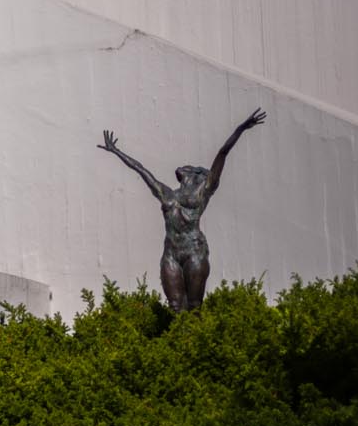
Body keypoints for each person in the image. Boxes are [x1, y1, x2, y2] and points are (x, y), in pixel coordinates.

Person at [98, 108, 267, 311]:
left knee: (194, 306)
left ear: (197, 175)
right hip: (171, 252)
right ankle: (177, 340)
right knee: (176, 306)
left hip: (194, 250)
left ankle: (195, 340)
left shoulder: (204, 191)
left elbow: (222, 152)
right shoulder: (167, 194)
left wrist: (240, 129)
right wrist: (116, 151)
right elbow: (141, 170)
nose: (183, 168)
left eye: (190, 167)